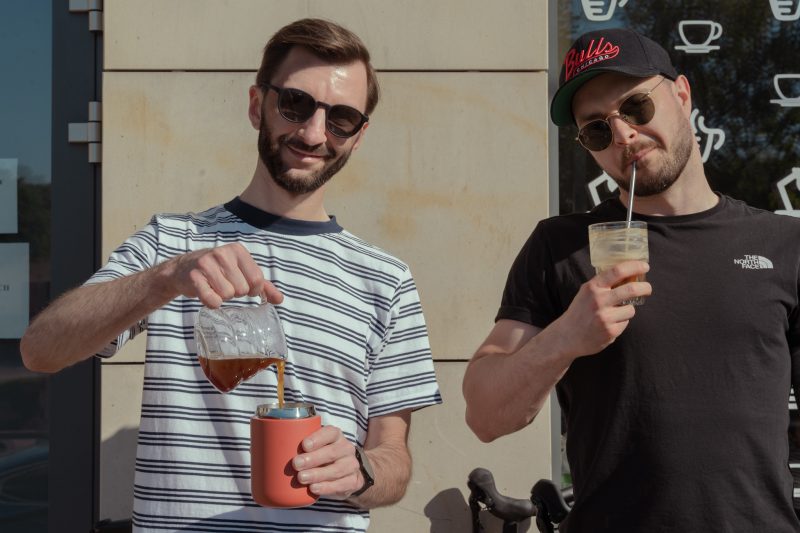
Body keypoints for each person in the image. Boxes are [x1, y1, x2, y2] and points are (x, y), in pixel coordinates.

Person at [21, 18, 441, 533]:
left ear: (359, 135)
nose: (314, 133)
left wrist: (362, 468)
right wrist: (167, 277)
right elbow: (40, 350)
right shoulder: (173, 243)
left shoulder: (386, 279)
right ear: (255, 105)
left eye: (342, 118)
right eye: (296, 104)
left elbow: (393, 458)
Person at [462, 27, 800, 532]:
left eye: (637, 108)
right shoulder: (562, 246)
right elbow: (485, 416)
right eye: (597, 130)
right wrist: (566, 338)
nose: (622, 135)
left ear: (681, 95)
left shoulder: (782, 244)